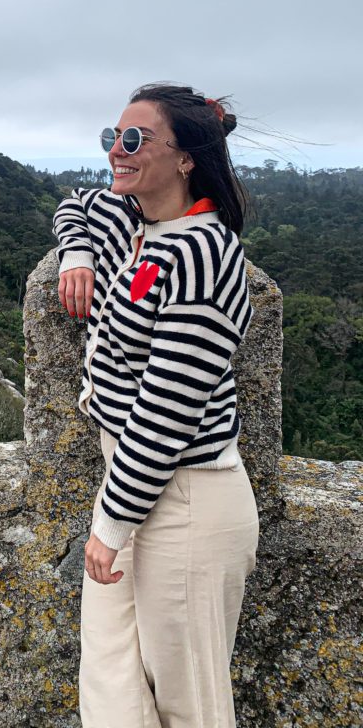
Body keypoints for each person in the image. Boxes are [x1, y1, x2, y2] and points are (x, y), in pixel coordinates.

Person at [52, 83, 260, 728]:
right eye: (111, 137)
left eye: (135, 139)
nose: (117, 150)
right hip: (132, 483)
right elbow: (72, 207)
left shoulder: (202, 252)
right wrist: (78, 254)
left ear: (186, 158)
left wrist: (111, 526)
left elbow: (166, 410)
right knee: (110, 674)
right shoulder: (130, 221)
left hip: (187, 498)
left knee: (188, 702)